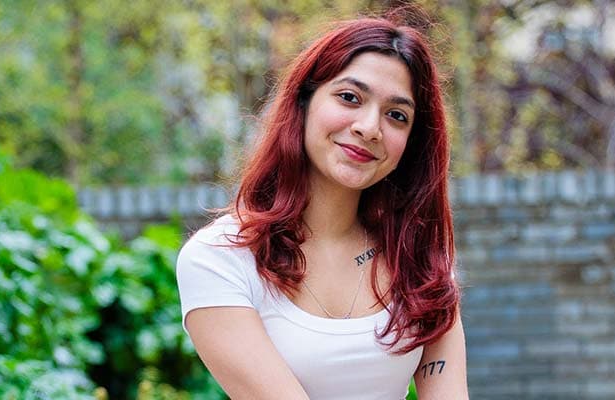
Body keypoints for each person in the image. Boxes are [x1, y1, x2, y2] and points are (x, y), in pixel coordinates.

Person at [177, 15, 467, 399]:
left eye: (397, 115)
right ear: (304, 102)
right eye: (350, 97)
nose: (369, 127)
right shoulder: (220, 258)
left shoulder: (419, 258)